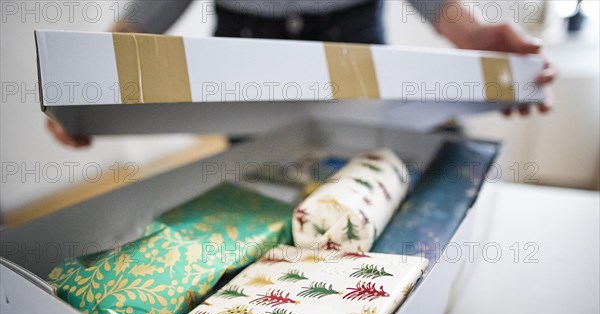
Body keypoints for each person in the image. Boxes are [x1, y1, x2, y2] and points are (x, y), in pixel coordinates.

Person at [48, 0, 556, 147]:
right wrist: (89, 77)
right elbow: (153, 8)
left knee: (396, 182)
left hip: (353, 43)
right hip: (245, 56)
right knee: (259, 202)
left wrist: (471, 35)